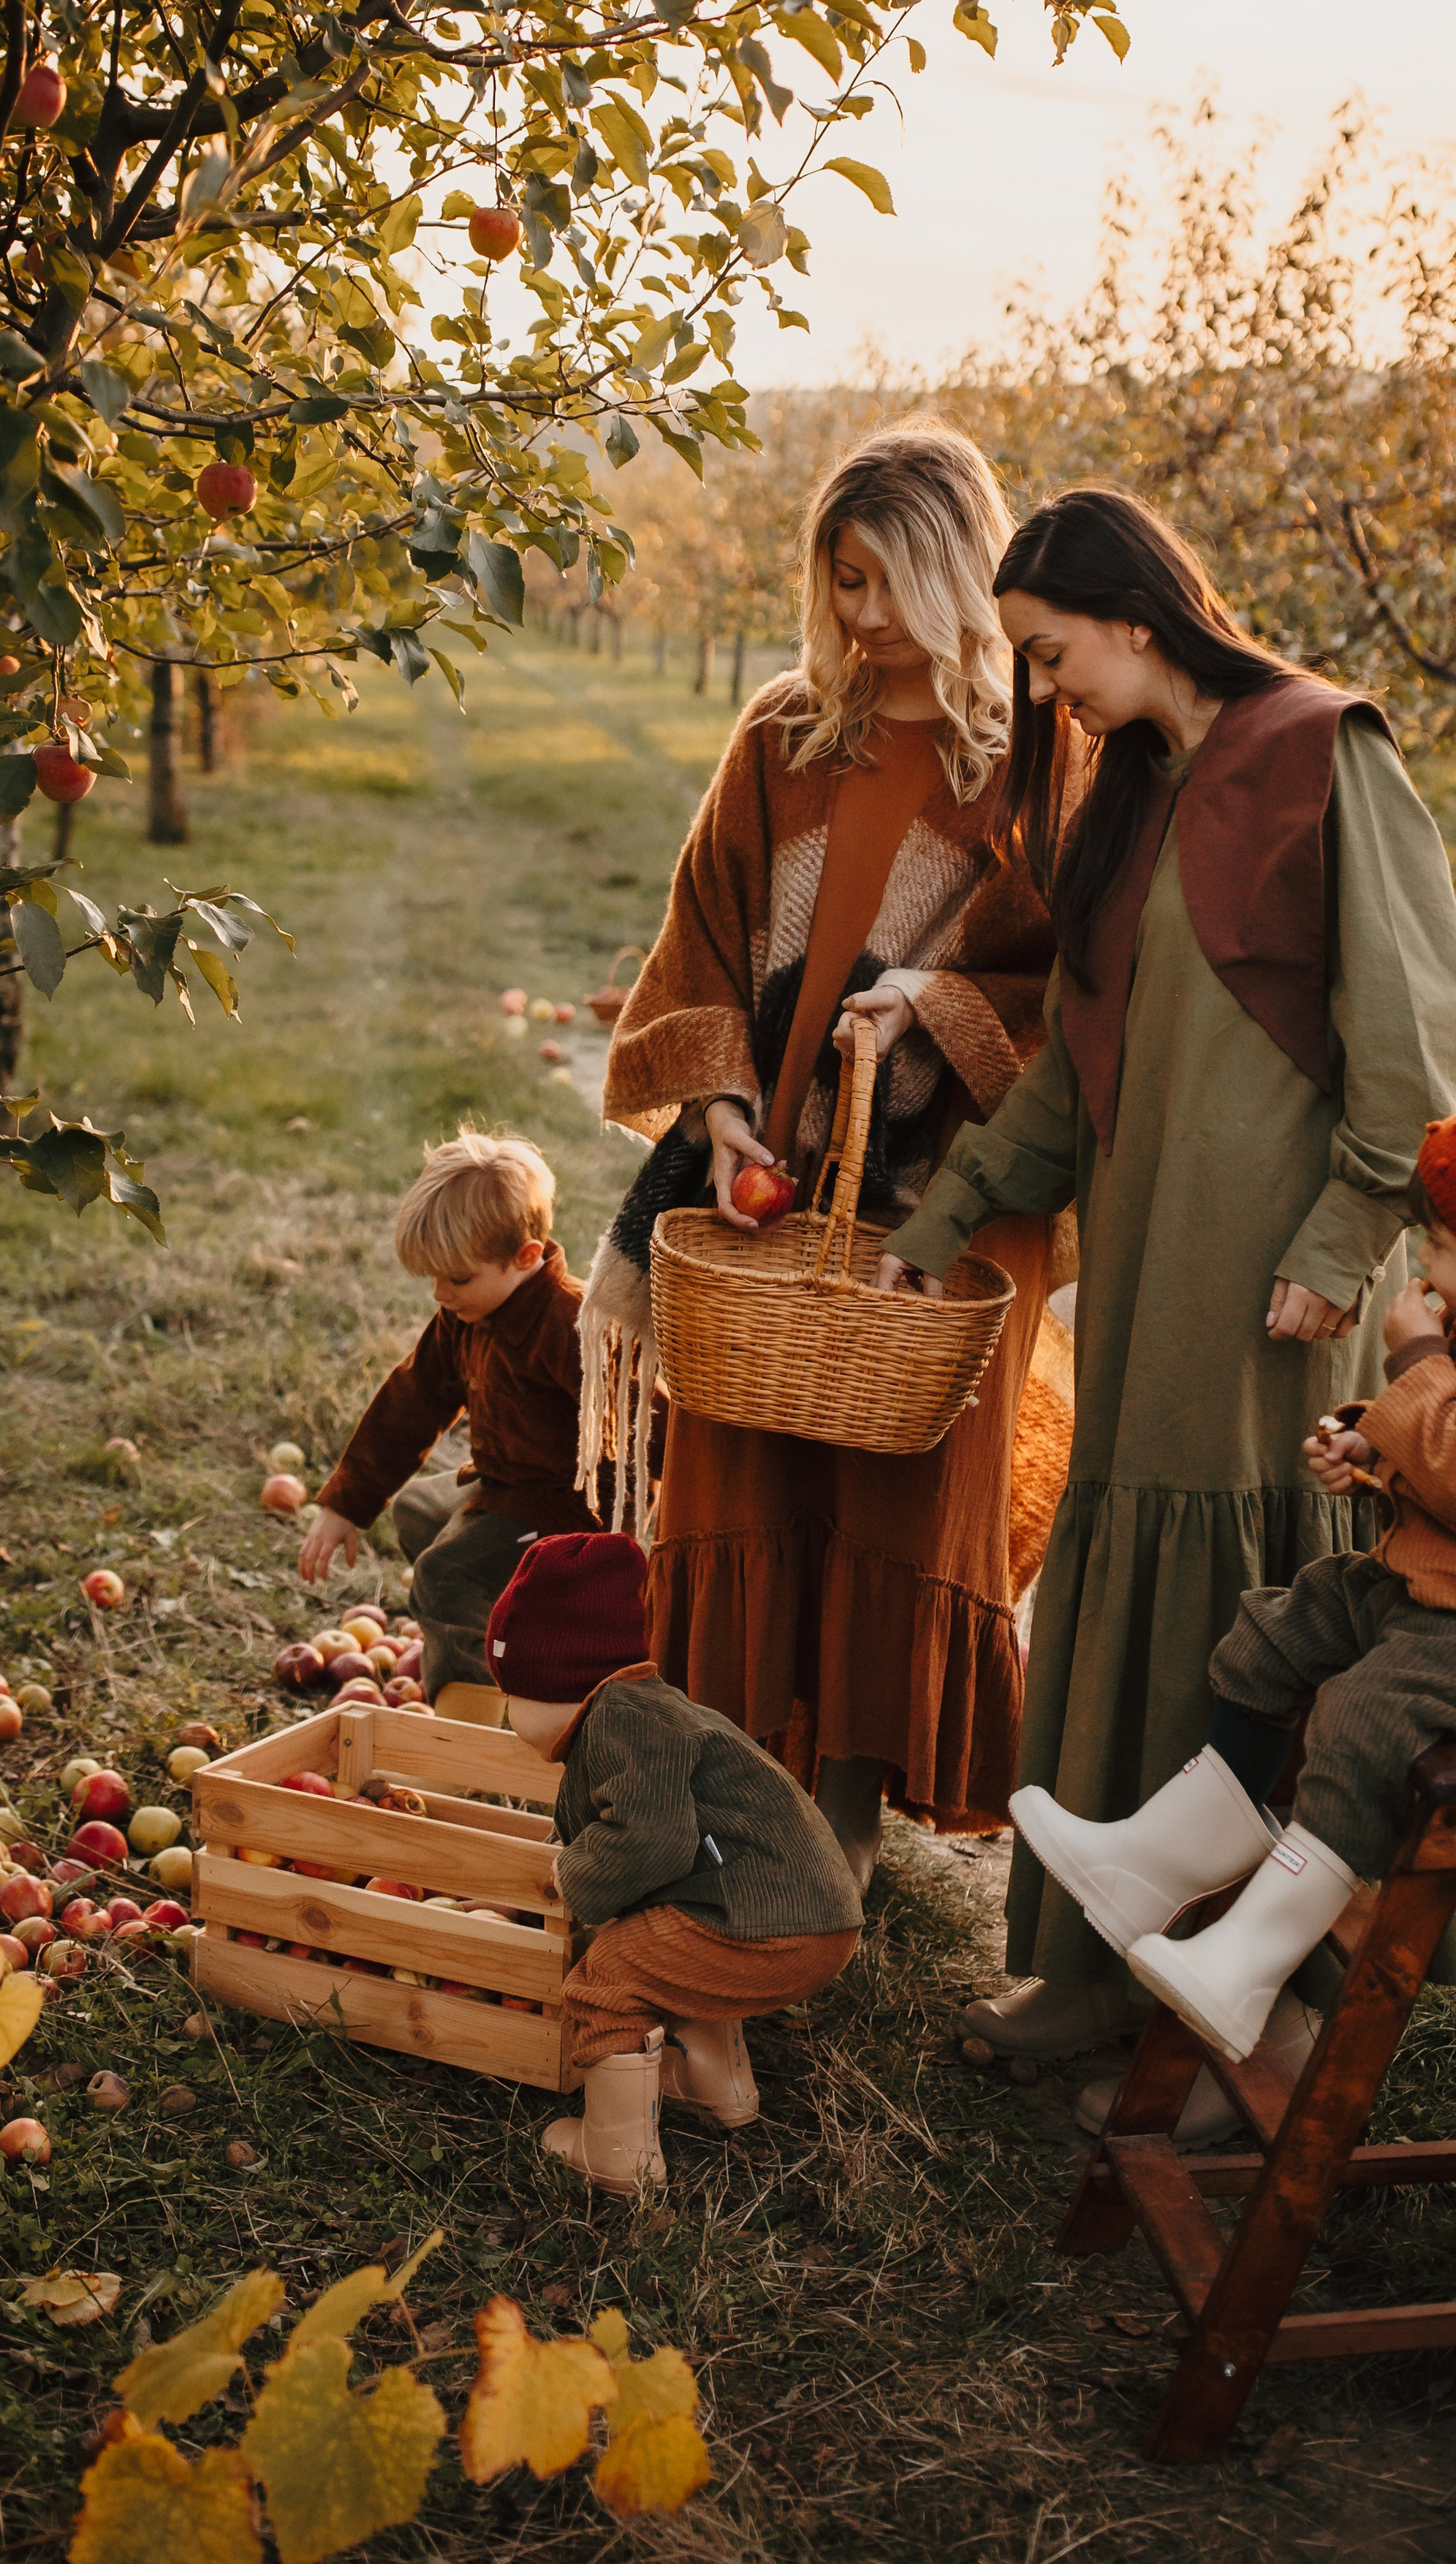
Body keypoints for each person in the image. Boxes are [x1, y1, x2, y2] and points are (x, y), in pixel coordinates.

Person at [876, 487, 1456, 2077]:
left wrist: (1342, 1240)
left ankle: (1267, 2009)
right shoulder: (1132, 792)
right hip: (1147, 1257)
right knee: (1133, 1565)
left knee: (1250, 1601)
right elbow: (1079, 1072)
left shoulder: (1319, 750)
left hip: (1278, 1269)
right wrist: (940, 1224)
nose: (1042, 688)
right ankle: (1095, 1972)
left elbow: (1412, 1039)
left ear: (1132, 618)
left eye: (1049, 650)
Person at [580, 423, 1072, 1888]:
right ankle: (746, 1796)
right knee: (744, 1483)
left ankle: (841, 1833)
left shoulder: (1040, 770)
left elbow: (1080, 999)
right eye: (839, 579)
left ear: (958, 578)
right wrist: (723, 1118)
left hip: (952, 1207)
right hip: (770, 1199)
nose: (860, 616)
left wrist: (931, 1002)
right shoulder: (784, 738)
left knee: (892, 1503)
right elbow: (703, 950)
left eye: (887, 581)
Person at [1012, 1084, 1456, 2064]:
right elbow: (1451, 1465)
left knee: (1363, 1715)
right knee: (1281, 1627)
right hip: (1436, 1590)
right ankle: (1159, 1861)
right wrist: (1374, 1455)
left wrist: (1419, 1367)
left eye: (1440, 1249)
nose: (1426, 1267)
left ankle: (1250, 1962)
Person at [485, 1532, 862, 2196]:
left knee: (608, 1978)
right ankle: (715, 2084)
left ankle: (616, 2157)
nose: (508, 1712)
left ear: (555, 1679)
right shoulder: (645, 1710)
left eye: (510, 1693)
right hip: (804, 1915)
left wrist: (567, 1879)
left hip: (770, 1923)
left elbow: (650, 1842)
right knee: (675, 1955)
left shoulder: (622, 1721)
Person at [303, 1129, 640, 1721]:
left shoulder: (574, 1328)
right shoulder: (466, 1316)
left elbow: (645, 1422)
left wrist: (630, 1545)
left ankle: (481, 1728)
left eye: (457, 1279)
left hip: (569, 1512)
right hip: (504, 1487)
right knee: (418, 1512)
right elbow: (413, 1400)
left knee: (444, 1572)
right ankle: (504, 1640)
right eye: (433, 1279)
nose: (440, 1293)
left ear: (526, 1257)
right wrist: (346, 1504)